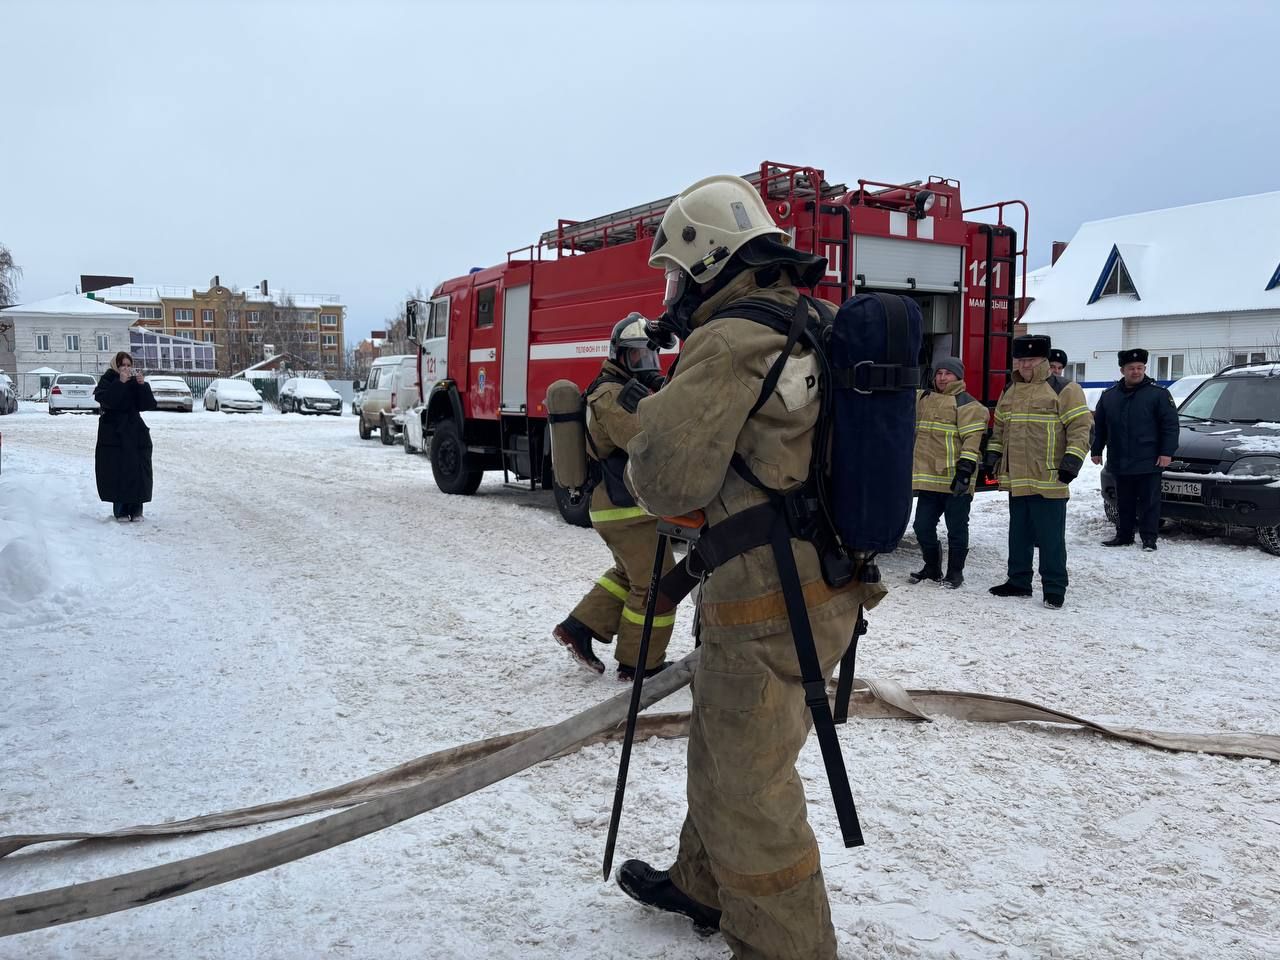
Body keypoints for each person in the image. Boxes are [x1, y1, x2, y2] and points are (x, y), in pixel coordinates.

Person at [614, 174, 886, 960]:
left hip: (767, 599)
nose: (670, 289)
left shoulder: (732, 337)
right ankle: (704, 884)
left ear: (708, 258)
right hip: (820, 580)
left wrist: (649, 424)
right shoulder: (812, 318)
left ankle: (786, 946)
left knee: (750, 787)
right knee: (731, 744)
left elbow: (668, 480)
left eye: (674, 271)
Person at [552, 314, 675, 681]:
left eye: (651, 358)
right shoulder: (610, 393)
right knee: (658, 579)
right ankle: (640, 662)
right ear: (620, 355)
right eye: (639, 359)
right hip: (625, 507)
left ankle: (578, 628)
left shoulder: (621, 387)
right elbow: (638, 439)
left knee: (628, 574)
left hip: (621, 505)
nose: (647, 366)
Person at [984, 335, 1091, 609]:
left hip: (1050, 476)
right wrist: (992, 454)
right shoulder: (1011, 389)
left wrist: (1072, 462)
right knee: (1018, 534)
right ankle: (1018, 581)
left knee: (1050, 538)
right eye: (1020, 360)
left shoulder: (1065, 389)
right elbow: (1000, 430)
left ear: (1044, 360)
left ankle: (1054, 588)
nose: (1024, 365)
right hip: (1017, 477)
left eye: (1030, 360)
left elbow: (1081, 429)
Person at [1090, 348, 1179, 551]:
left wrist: (1166, 452)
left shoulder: (1159, 395)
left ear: (1145, 368)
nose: (1136, 371)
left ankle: (1149, 539)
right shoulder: (1109, 396)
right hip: (1120, 459)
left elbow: (1170, 426)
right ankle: (1124, 536)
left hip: (1149, 459)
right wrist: (1096, 450)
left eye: (1140, 368)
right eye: (1131, 368)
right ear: (1122, 370)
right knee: (1124, 502)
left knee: (1149, 502)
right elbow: (1101, 426)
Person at [909, 357, 987, 588]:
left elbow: (972, 441)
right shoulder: (923, 399)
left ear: (958, 376)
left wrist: (965, 471)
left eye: (947, 374)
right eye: (939, 373)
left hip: (955, 479)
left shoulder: (968, 405)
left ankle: (955, 573)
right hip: (929, 479)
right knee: (921, 526)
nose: (942, 378)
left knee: (956, 529)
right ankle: (932, 567)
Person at [94, 351, 157, 521]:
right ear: (116, 365)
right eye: (123, 365)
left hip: (135, 431)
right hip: (114, 432)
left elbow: (147, 404)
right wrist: (120, 383)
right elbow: (106, 400)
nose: (126, 369)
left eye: (129, 365)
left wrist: (143, 386)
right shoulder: (108, 379)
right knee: (118, 470)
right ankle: (121, 510)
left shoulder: (134, 381)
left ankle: (137, 510)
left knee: (138, 471)